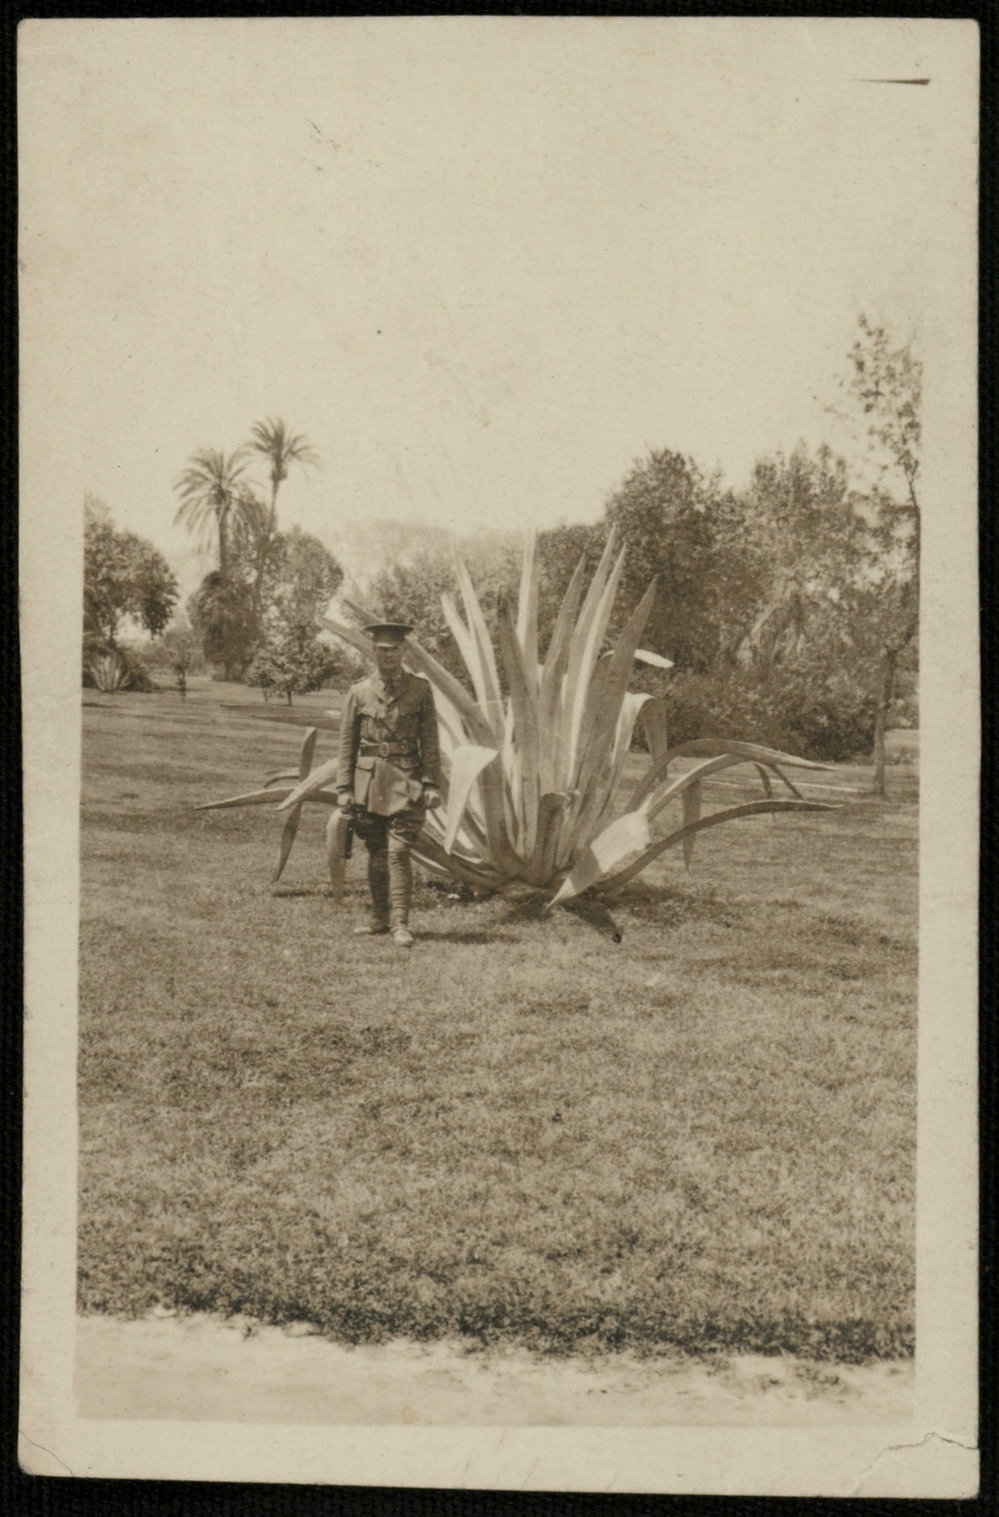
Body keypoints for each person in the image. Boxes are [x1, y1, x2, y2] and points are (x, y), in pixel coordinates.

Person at [335, 623, 441, 947]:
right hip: (369, 784)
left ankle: (400, 924)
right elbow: (346, 745)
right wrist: (344, 789)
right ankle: (380, 918)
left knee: (398, 852)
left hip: (406, 781)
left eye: (394, 649)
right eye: (381, 649)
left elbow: (430, 743)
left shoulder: (420, 690)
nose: (388, 655)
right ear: (373, 652)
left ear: (404, 651)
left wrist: (431, 783)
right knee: (377, 851)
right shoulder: (359, 692)